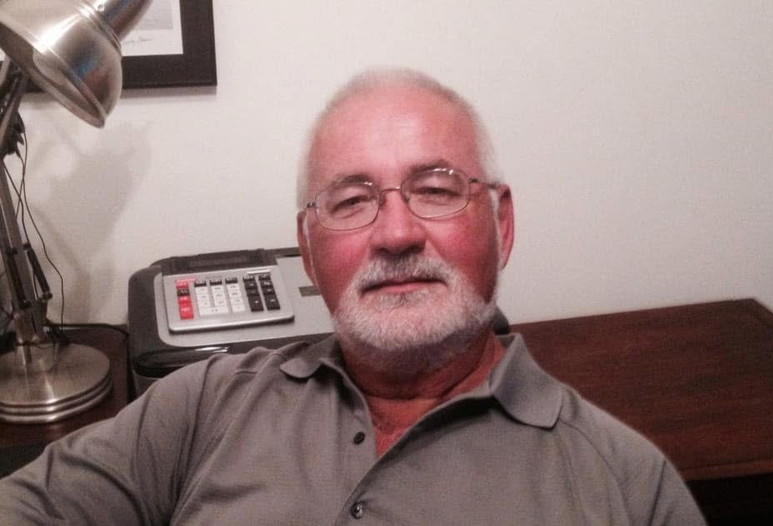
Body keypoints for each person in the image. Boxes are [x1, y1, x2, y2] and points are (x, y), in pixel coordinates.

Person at [0, 68, 706, 524]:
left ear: (501, 224)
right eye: (351, 201)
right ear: (308, 251)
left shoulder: (629, 490)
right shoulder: (203, 403)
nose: (396, 233)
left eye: (436, 189)